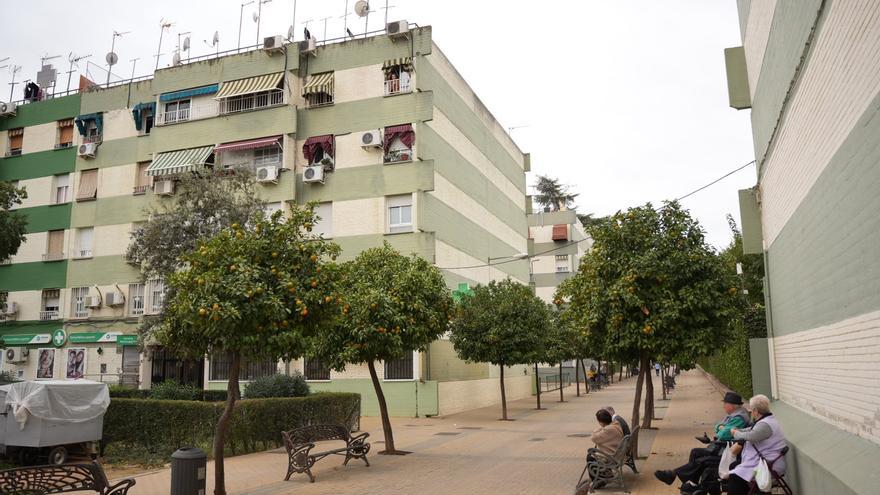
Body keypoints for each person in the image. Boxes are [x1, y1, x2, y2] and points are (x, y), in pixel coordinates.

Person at [654, 392, 750, 487]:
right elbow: (717, 426)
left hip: (727, 450)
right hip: (721, 447)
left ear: (732, 405)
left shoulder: (739, 418)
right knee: (695, 452)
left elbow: (724, 434)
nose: (723, 406)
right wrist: (721, 428)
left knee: (701, 460)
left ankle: (674, 474)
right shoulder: (733, 415)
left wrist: (721, 428)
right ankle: (692, 483)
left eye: (725, 404)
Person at [726, 395, 787, 495]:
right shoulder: (766, 420)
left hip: (770, 465)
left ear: (755, 410)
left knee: (735, 476)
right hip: (766, 461)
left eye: (751, 409)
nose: (751, 412)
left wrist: (736, 433)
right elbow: (751, 430)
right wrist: (739, 430)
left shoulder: (765, 424)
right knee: (734, 465)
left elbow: (751, 436)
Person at [585, 409, 624, 489]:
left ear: (601, 422)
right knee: (593, 454)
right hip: (618, 454)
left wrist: (597, 429)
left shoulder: (609, 429)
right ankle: (604, 475)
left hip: (613, 458)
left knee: (590, 457)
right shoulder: (615, 425)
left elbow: (594, 438)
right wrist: (601, 429)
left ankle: (597, 481)